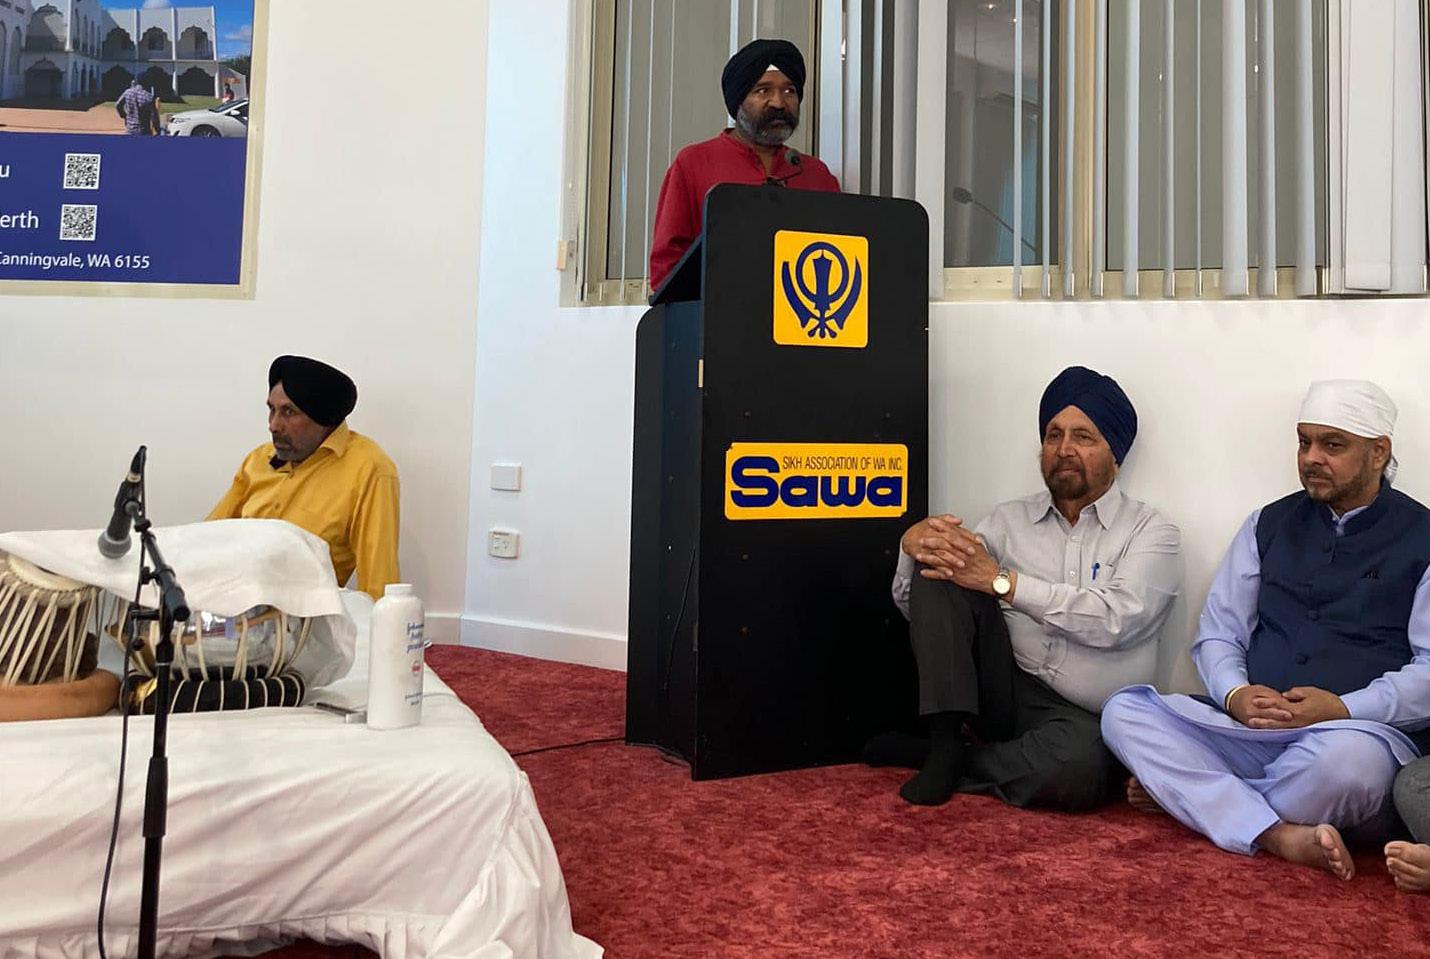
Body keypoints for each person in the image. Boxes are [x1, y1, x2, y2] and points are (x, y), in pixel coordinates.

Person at [1101, 380, 1430, 881]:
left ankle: (1194, 796)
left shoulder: (1422, 538)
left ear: (1379, 453)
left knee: (1347, 769)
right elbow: (1218, 632)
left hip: (1350, 738)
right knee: (1124, 711)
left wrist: (1343, 708)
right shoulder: (1267, 523)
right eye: (1304, 442)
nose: (1311, 458)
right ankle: (1278, 833)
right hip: (1249, 730)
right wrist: (1235, 694)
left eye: (1332, 445)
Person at [875, 366, 1181, 809]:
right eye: (1053, 435)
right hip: (1005, 689)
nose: (1064, 449)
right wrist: (913, 547)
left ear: (1115, 454)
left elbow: (1117, 621)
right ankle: (945, 745)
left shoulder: (1152, 532)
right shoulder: (1007, 520)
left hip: (1084, 717)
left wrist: (1002, 583)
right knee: (944, 562)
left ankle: (952, 760)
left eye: (1083, 437)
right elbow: (925, 611)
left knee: (1078, 769)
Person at [647, 37, 840, 290]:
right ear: (738, 100)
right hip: (720, 311)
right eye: (763, 91)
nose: (779, 102)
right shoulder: (693, 163)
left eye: (789, 91)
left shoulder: (815, 174)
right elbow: (666, 270)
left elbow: (840, 256)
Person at [209, 356, 400, 601]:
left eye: (288, 412)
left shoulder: (368, 468)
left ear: (323, 419)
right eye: (271, 410)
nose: (273, 426)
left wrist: (383, 620)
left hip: (302, 615)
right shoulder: (258, 460)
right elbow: (208, 540)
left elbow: (379, 582)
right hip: (228, 605)